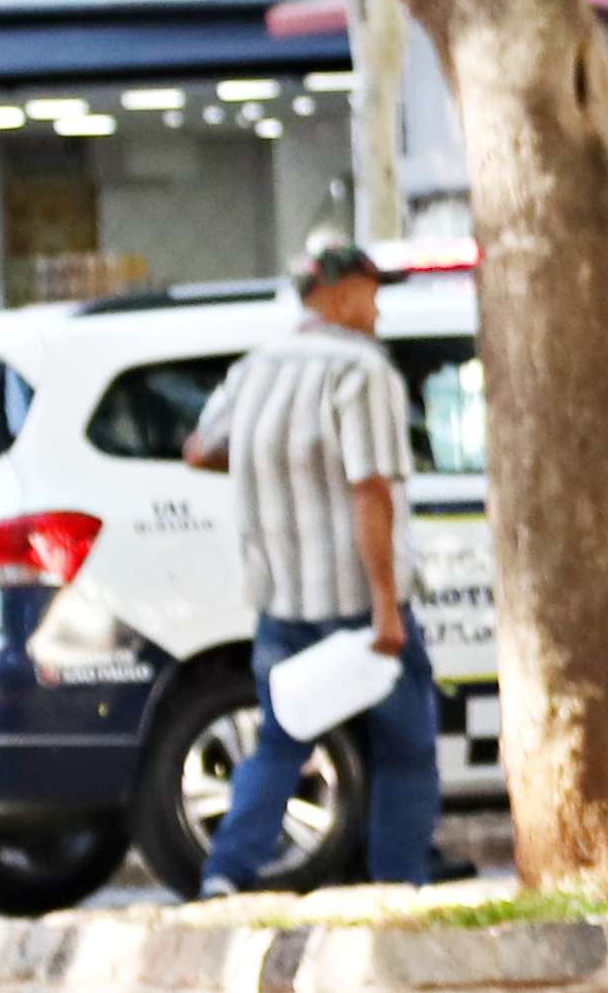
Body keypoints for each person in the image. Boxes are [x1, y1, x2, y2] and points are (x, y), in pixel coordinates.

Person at [180, 241, 448, 891]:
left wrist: (275, 468)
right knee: (407, 748)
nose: (378, 306)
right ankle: (397, 880)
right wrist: (387, 605)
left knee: (280, 740)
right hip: (354, 597)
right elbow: (370, 489)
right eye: (372, 291)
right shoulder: (362, 371)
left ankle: (227, 872)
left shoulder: (254, 369)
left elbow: (198, 450)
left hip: (280, 597)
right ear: (342, 293)